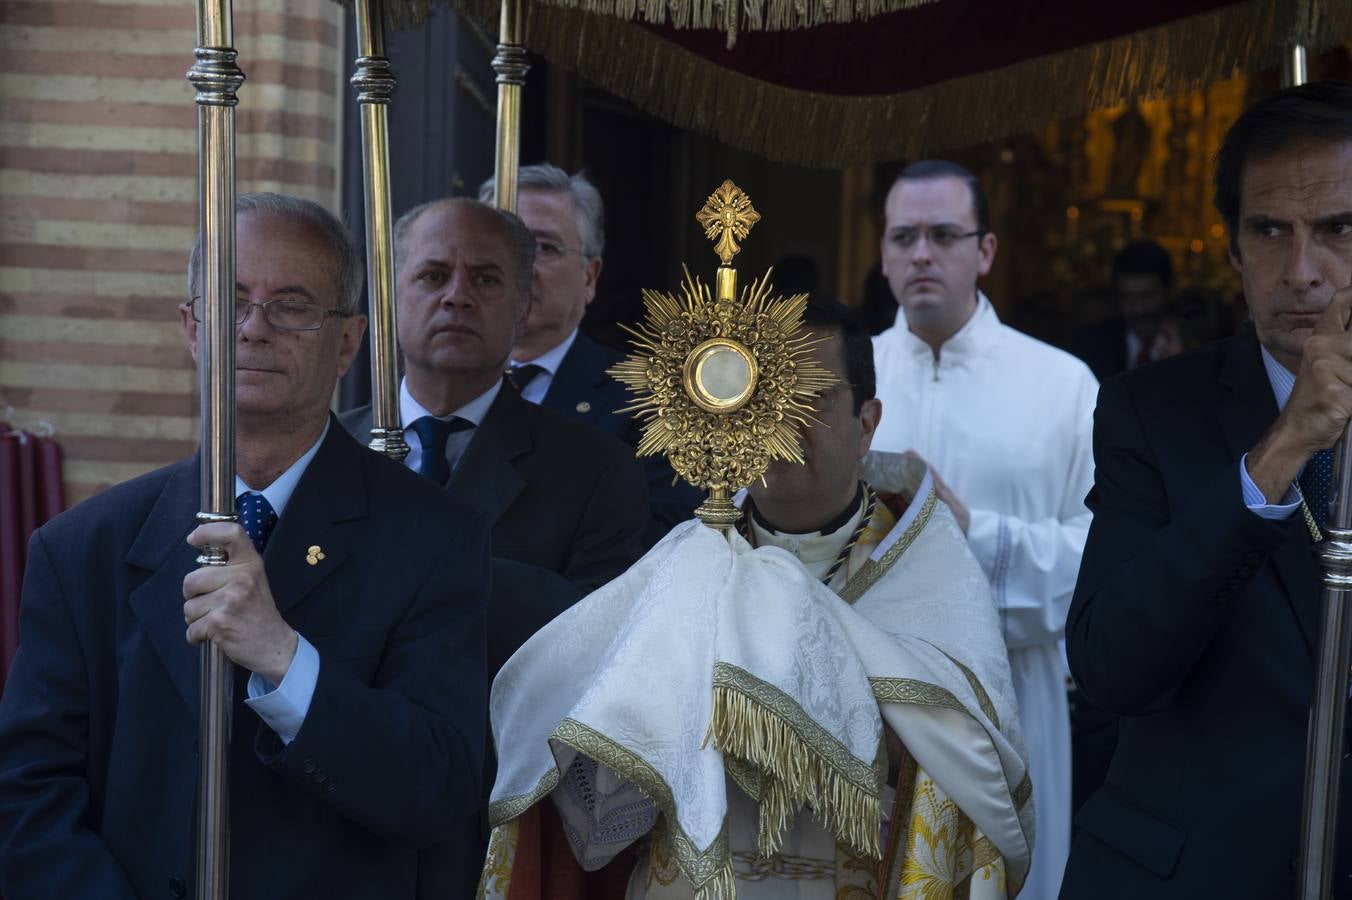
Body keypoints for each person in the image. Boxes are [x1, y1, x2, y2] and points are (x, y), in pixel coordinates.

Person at [0, 193, 490, 899]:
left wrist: (285, 662)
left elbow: (438, 790)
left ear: (348, 340)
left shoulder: (435, 539)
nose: (255, 328)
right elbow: (30, 797)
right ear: (192, 328)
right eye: (230, 302)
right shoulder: (81, 548)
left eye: (291, 305)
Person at [481, 300, 1034, 899]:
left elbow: (973, 771)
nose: (783, 417)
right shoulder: (684, 567)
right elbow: (595, 808)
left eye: (813, 395)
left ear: (867, 423)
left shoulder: (930, 573)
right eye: (762, 393)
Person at [1061, 81, 1352, 898]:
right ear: (1230, 247)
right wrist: (1284, 446)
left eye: (1337, 229)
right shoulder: (1149, 411)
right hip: (1188, 872)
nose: (1302, 271)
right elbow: (1114, 667)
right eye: (1270, 231)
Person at [870, 160, 1098, 899]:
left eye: (943, 235)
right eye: (904, 236)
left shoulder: (1062, 386)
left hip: (1011, 698)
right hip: (865, 702)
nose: (922, 254)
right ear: (882, 252)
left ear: (986, 250)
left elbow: (1103, 558)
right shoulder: (842, 377)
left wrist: (976, 535)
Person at [339, 197, 649, 677]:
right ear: (389, 296)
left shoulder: (597, 471)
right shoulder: (325, 449)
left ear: (522, 309)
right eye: (433, 276)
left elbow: (603, 643)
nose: (457, 296)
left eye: (486, 279)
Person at [478, 165, 701, 544]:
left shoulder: (650, 400)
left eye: (544, 247)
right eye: (501, 248)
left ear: (589, 278)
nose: (520, 268)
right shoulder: (432, 386)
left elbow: (665, 541)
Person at [1072, 240, 1174, 380]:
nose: (1139, 309)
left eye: (1147, 297)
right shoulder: (1090, 346)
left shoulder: (1191, 345)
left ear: (1168, 291)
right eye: (1128, 298)